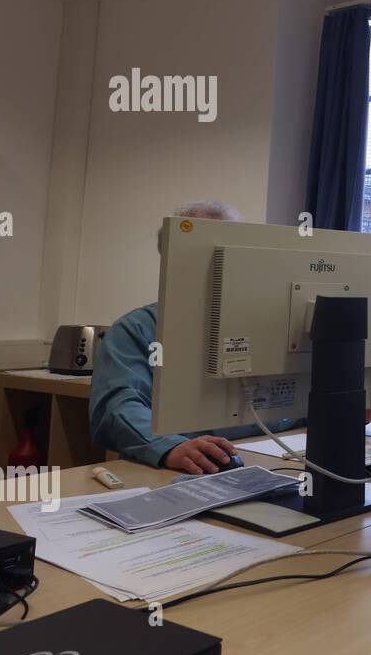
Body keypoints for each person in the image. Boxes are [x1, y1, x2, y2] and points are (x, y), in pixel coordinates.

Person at [88, 201, 291, 473]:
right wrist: (168, 446)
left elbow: (284, 403)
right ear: (173, 260)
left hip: (265, 460)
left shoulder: (265, 324)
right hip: (177, 468)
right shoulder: (136, 329)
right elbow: (119, 408)